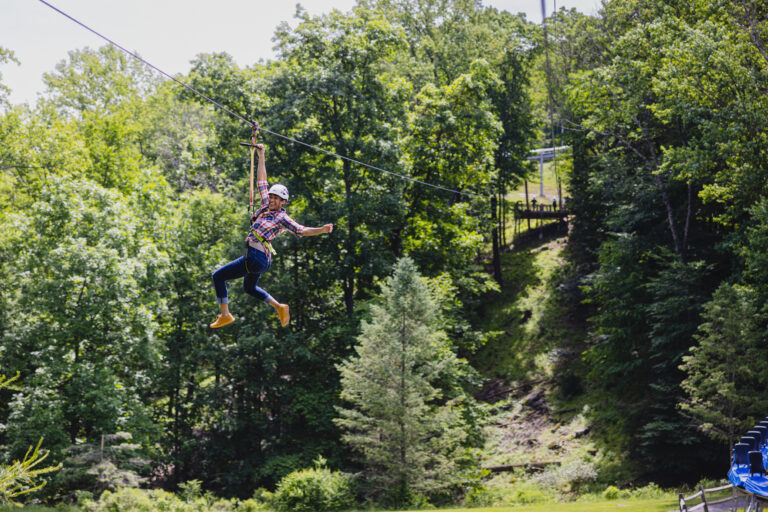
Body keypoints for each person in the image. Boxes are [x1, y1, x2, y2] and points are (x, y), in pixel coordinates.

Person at [210, 144, 333, 328]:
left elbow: (301, 230)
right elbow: (262, 181)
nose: (273, 200)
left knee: (218, 276)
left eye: (277, 199)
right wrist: (262, 156)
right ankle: (279, 306)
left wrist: (321, 230)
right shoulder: (266, 205)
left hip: (256, 256)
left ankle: (225, 314)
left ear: (283, 202)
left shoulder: (281, 217)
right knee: (249, 288)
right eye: (272, 197)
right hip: (260, 259)